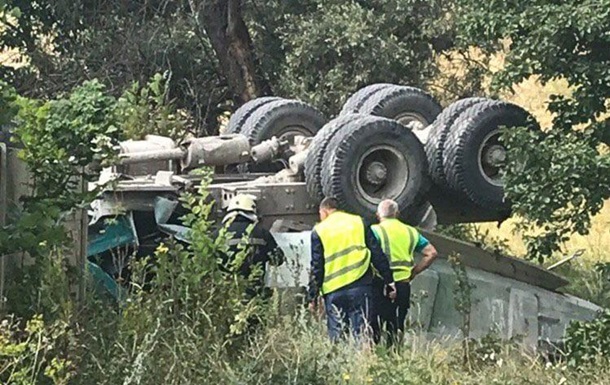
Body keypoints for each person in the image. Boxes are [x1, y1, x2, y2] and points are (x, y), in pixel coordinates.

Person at [308, 197, 396, 342]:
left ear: (324, 211)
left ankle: (341, 364)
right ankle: (363, 363)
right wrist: (389, 280)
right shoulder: (359, 222)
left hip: (333, 291)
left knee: (337, 338)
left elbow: (317, 267)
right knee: (361, 334)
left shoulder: (319, 230)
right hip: (360, 286)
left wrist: (312, 296)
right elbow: (377, 253)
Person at [371, 199, 438, 345]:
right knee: (396, 328)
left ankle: (372, 359)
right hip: (403, 285)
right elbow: (431, 253)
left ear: (378, 215)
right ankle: (394, 358)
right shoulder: (410, 232)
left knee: (374, 328)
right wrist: (413, 272)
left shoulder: (374, 231)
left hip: (380, 284)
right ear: (397, 214)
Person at [217, 194, 285, 299]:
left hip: (228, 297)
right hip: (256, 295)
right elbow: (278, 259)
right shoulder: (262, 233)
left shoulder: (219, 234)